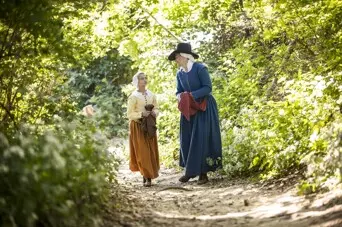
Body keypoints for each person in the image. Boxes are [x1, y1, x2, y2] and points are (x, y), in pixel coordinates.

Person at [168, 42, 222, 185]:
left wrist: (192, 95)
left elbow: (207, 88)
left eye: (177, 57)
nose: (176, 60)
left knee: (201, 138)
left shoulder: (200, 68)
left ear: (185, 56)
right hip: (188, 108)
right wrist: (181, 96)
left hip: (204, 107)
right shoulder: (179, 73)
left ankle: (203, 174)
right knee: (187, 137)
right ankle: (190, 171)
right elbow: (178, 91)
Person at [127, 72, 160, 187]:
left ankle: (148, 175)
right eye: (141, 78)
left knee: (150, 150)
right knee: (142, 151)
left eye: (145, 78)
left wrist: (154, 113)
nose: (144, 80)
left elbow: (156, 108)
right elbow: (130, 114)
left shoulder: (151, 94)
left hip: (149, 125)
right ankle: (146, 175)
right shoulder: (133, 97)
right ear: (137, 81)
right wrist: (142, 114)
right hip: (138, 126)